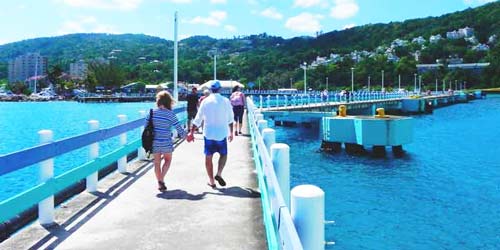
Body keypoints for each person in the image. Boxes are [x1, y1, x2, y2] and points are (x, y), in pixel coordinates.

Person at [186, 81, 234, 189]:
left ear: (211, 90)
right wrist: (231, 132)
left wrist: (191, 132)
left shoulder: (205, 101)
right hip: (221, 133)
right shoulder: (226, 101)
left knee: (208, 157)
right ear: (220, 89)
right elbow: (231, 118)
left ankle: (212, 181)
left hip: (208, 133)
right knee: (224, 154)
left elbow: (198, 118)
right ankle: (219, 173)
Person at [146, 90, 187, 192]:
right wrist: (185, 136)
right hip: (166, 142)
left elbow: (146, 127)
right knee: (167, 161)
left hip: (154, 142)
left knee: (156, 163)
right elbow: (179, 128)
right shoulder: (170, 114)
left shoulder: (151, 113)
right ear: (169, 101)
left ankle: (160, 182)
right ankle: (161, 180)